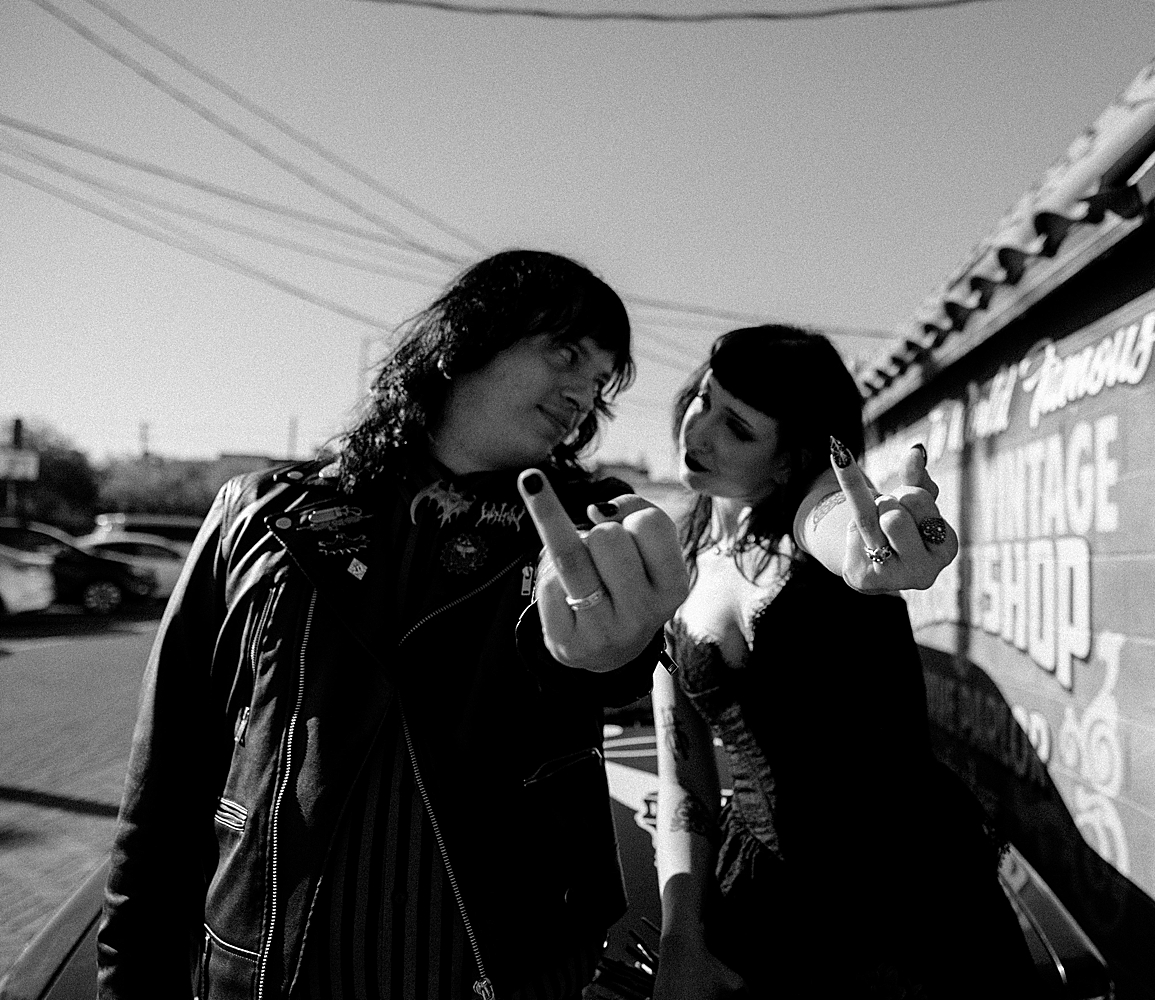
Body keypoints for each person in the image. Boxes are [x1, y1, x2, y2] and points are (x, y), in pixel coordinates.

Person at [97, 249, 690, 1000]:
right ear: (464, 340)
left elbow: (618, 665)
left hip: (499, 969)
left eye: (601, 378)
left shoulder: (580, 529)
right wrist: (129, 980)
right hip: (262, 964)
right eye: (566, 351)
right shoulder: (263, 513)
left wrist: (617, 651)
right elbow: (169, 773)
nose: (584, 391)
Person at [651, 326, 1036, 998]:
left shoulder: (812, 520)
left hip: (913, 915)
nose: (700, 430)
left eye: (737, 428)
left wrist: (877, 547)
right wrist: (679, 936)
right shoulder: (678, 563)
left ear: (788, 460)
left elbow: (839, 528)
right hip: (761, 909)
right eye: (703, 400)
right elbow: (683, 776)